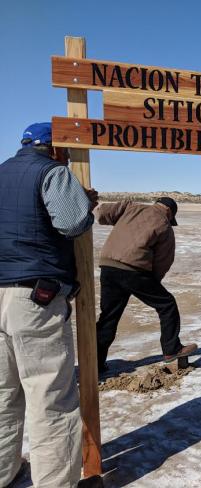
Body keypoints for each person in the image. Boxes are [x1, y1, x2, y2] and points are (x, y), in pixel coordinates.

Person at [0, 122, 97, 487]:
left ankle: (4, 472)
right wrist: (84, 202)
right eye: (67, 149)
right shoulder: (53, 172)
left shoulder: (2, 171)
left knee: (4, 393)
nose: (69, 155)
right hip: (34, 298)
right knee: (51, 399)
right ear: (55, 148)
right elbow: (72, 223)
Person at [95, 197, 197, 372]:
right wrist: (151, 283)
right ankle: (171, 350)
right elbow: (163, 262)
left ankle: (95, 363)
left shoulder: (131, 207)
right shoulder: (164, 225)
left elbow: (101, 213)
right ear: (170, 213)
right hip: (134, 270)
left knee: (109, 316)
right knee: (167, 305)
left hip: (108, 266)